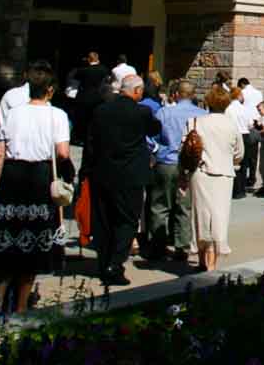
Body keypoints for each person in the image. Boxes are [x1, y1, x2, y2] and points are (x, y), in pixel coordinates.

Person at [0, 61, 72, 314]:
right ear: (50, 90)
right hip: (38, 177)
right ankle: (21, 306)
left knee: (7, 241)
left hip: (11, 177)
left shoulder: (13, 113)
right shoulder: (57, 115)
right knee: (33, 246)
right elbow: (63, 153)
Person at [88, 74, 160, 287]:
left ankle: (104, 262)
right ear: (137, 91)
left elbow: (91, 141)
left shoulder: (101, 110)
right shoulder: (141, 112)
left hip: (103, 173)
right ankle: (115, 263)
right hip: (130, 176)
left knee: (104, 220)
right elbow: (155, 129)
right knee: (127, 220)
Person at [186, 82, 244, 272]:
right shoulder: (231, 125)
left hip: (200, 173)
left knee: (201, 215)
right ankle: (212, 262)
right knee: (219, 216)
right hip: (224, 174)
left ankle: (203, 258)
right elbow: (239, 152)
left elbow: (184, 149)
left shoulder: (195, 121)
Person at [145, 80, 198, 261]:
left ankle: (158, 245)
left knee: (160, 205)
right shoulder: (199, 115)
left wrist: (157, 150)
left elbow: (151, 137)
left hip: (166, 161)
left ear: (176, 94)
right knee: (184, 206)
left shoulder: (164, 113)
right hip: (188, 165)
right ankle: (182, 245)